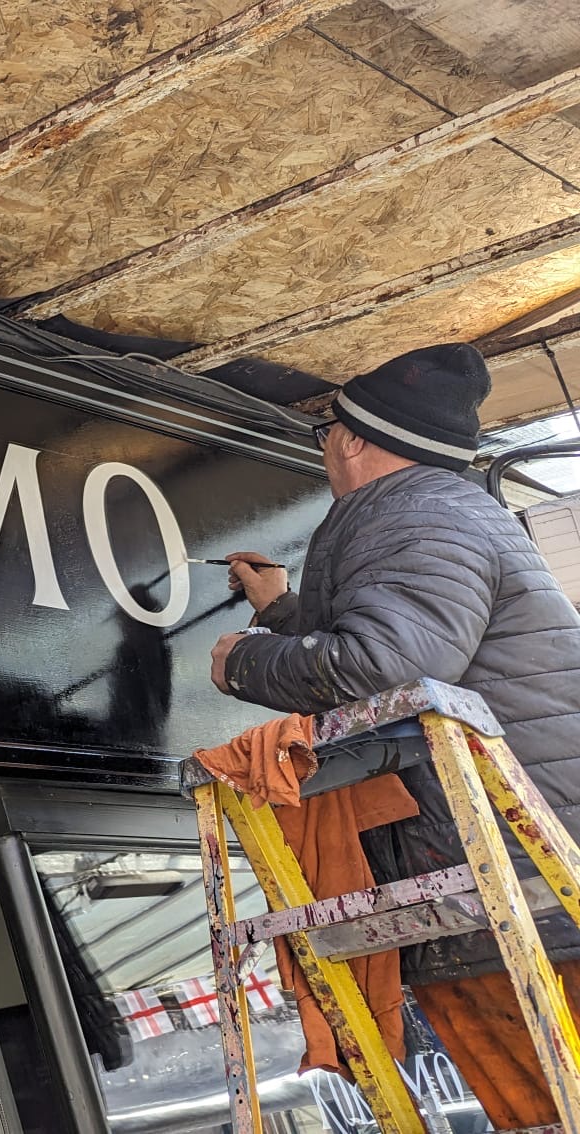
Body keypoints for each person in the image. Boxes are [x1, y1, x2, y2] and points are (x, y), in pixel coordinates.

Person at [208, 342, 580, 1124]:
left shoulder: (414, 513)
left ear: (350, 439)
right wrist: (280, 610)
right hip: (510, 880)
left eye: (325, 437)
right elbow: (403, 633)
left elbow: (390, 662)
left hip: (516, 884)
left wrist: (243, 662)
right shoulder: (437, 510)